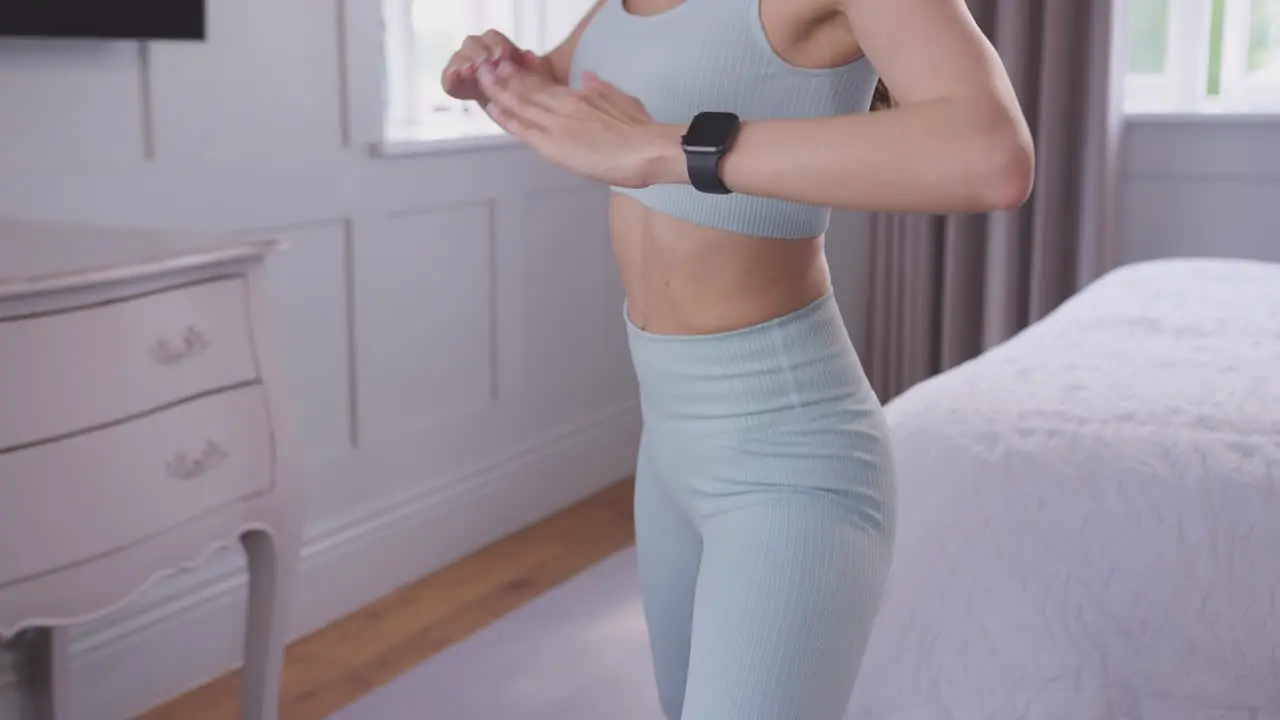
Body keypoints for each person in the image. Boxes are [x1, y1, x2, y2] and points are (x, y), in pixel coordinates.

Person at [442, 0, 1033, 717]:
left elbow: (992, 155)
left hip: (789, 463)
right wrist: (502, 76)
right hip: (668, 447)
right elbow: (578, 96)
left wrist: (671, 149)